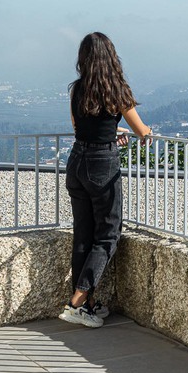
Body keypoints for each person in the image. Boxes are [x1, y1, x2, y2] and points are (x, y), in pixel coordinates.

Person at [62, 32, 151, 327]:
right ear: (111, 57)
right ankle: (77, 300)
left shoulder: (77, 89)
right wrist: (142, 133)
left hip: (76, 161)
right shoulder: (116, 89)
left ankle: (85, 305)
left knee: (83, 236)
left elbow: (79, 127)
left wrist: (110, 134)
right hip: (102, 164)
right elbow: (142, 131)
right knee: (108, 235)